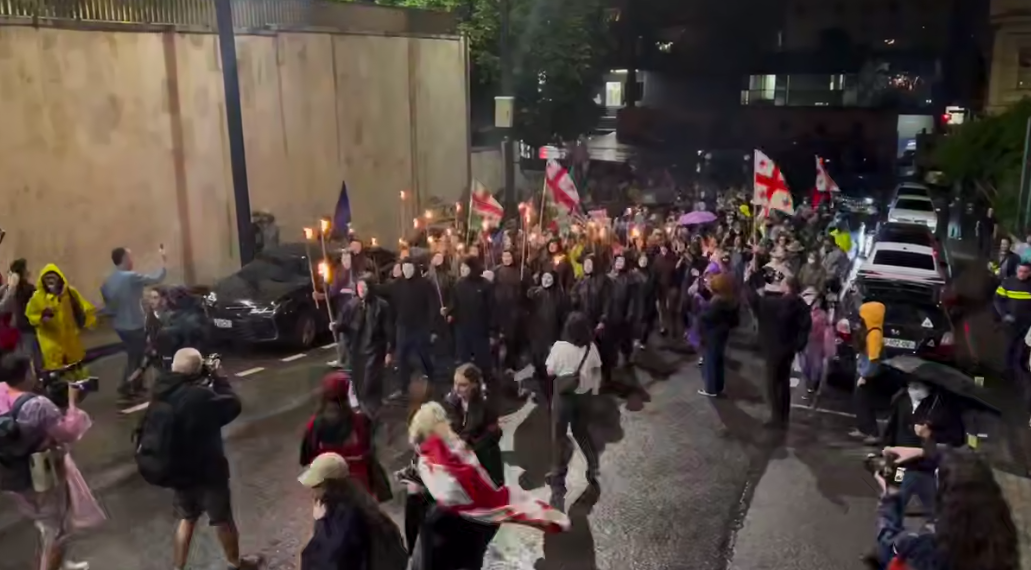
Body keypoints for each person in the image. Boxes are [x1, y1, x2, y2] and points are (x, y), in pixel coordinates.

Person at [146, 348, 261, 570]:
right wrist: (220, 378)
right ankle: (236, 563)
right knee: (222, 520)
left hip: (178, 473)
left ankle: (178, 567)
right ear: (198, 370)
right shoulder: (199, 396)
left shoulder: (160, 391)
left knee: (187, 519)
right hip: (208, 473)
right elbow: (232, 406)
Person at [0, 353, 104, 570]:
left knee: (42, 519)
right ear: (26, 374)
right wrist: (72, 400)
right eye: (32, 369)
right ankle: (50, 564)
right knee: (54, 527)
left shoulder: (1, 390)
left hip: (10, 473)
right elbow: (67, 432)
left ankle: (61, 561)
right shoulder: (39, 405)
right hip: (41, 472)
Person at [872, 450, 1019, 570]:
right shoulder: (1004, 546)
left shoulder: (924, 547)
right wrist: (923, 452)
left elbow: (887, 542)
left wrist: (890, 495)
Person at [297, 453, 407, 570]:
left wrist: (321, 522)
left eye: (316, 485)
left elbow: (328, 559)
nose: (312, 490)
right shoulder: (357, 498)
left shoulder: (344, 514)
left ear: (329, 485)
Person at [545, 312, 602, 511]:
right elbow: (597, 371)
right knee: (581, 432)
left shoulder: (560, 347)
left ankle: (557, 485)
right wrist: (593, 392)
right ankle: (593, 466)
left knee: (558, 437)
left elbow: (550, 371)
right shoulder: (591, 347)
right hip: (584, 397)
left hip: (564, 399)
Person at [101, 246, 167, 404]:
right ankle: (127, 388)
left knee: (134, 355)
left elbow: (107, 299)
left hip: (120, 325)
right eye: (130, 257)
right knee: (137, 358)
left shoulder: (109, 280)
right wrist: (164, 261)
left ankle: (136, 385)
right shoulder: (130, 277)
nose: (132, 261)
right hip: (133, 324)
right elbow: (155, 279)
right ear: (123, 259)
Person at [300, 372, 375, 494]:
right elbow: (369, 451)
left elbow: (306, 457)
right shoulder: (361, 420)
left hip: (329, 484)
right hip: (359, 484)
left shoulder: (315, 423)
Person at [753, 276, 811, 429]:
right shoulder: (802, 305)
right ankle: (783, 413)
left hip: (774, 348)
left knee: (771, 383)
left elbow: (756, 302)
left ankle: (775, 416)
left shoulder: (777, 304)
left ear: (787, 287)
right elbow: (805, 327)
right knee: (784, 381)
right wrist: (798, 345)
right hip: (789, 349)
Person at [333, 278, 393, 417]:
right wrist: (336, 326)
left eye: (364, 287)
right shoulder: (351, 305)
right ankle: (365, 406)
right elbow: (344, 323)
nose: (361, 290)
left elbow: (388, 329)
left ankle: (371, 407)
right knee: (357, 379)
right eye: (359, 287)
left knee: (370, 379)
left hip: (374, 349)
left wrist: (389, 351)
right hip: (356, 349)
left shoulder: (382, 306)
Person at [25, 264, 96, 376]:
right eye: (47, 279)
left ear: (59, 278)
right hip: (51, 343)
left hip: (70, 341)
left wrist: (89, 321)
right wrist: (41, 318)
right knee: (57, 376)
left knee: (76, 373)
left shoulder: (69, 292)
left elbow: (84, 306)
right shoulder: (37, 298)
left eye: (53, 277)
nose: (50, 281)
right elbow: (30, 315)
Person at [442, 364, 503, 487]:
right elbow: (452, 424)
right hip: (465, 456)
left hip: (485, 456)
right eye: (455, 383)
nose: (457, 389)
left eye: (463, 385)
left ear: (474, 385)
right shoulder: (453, 400)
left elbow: (490, 434)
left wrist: (466, 446)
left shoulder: (486, 404)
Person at [390, 259, 437, 398]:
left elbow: (432, 306)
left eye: (409, 268)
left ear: (414, 269)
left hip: (420, 327)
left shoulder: (425, 284)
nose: (407, 271)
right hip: (403, 327)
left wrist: (432, 327)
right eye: (404, 268)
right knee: (401, 358)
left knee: (424, 355)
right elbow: (384, 290)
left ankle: (432, 380)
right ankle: (403, 387)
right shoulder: (398, 284)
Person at [448, 257, 494, 383]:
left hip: (480, 329)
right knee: (463, 359)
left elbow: (491, 308)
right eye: (461, 267)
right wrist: (449, 313)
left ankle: (483, 383)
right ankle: (464, 383)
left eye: (465, 267)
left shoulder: (485, 285)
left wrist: (492, 330)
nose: (462, 269)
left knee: (482, 359)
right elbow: (454, 304)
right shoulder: (458, 284)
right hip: (462, 328)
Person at [850, 301, 886, 445]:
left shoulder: (874, 335)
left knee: (865, 402)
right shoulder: (870, 331)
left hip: (868, 375)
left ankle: (873, 432)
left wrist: (864, 376)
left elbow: (873, 360)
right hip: (863, 371)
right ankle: (863, 428)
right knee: (859, 402)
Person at [697, 274, 739, 397]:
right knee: (718, 360)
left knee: (711, 360)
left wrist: (702, 312)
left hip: (713, 333)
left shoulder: (718, 302)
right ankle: (718, 387)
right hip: (723, 333)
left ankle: (711, 389)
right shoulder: (730, 300)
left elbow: (708, 317)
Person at [994, 261, 1031, 383]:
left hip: (1027, 323)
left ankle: (1021, 371)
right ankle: (1007, 371)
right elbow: (998, 300)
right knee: (1010, 346)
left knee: (1023, 348)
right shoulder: (1008, 282)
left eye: (1025, 272)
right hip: (1011, 322)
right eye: (1020, 271)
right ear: (1016, 270)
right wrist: (1004, 315)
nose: (1022, 274)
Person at [0, 259, 38, 370]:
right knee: (27, 357)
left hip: (18, 330)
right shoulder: (28, 289)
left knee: (26, 356)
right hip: (25, 329)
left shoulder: (9, 290)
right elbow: (3, 307)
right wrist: (11, 287)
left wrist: (10, 286)